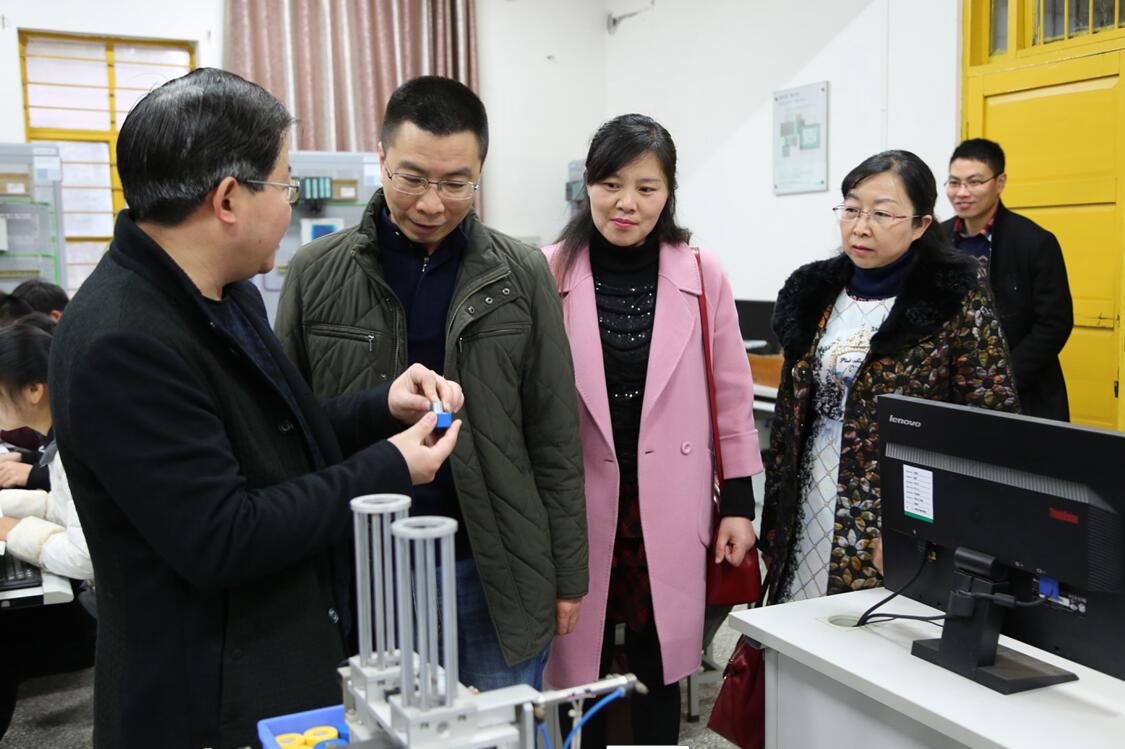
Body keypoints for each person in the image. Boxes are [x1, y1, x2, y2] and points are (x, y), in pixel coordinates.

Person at [49, 68, 463, 749]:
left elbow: (270, 437)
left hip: (276, 659)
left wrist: (380, 409)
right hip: (206, 700)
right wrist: (391, 467)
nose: (290, 206)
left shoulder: (224, 292)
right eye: (285, 185)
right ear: (228, 199)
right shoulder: (122, 340)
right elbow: (223, 535)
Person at [276, 76, 588, 692]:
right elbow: (286, 424)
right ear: (382, 158)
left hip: (494, 567)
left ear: (480, 174)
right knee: (386, 724)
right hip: (367, 564)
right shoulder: (316, 272)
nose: (431, 204)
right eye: (412, 179)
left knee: (501, 728)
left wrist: (568, 575)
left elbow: (553, 433)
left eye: (455, 184)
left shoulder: (522, 273)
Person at [542, 114, 762, 748]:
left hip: (667, 498)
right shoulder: (547, 270)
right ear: (587, 186)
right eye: (611, 184)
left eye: (646, 187)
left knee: (659, 660)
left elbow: (731, 394)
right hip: (578, 497)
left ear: (669, 193)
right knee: (575, 663)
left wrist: (739, 505)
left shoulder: (700, 272)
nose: (627, 203)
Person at [760, 150, 1019, 605]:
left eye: (881, 214)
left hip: (894, 511)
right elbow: (787, 420)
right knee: (795, 626)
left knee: (865, 628)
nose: (860, 227)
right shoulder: (813, 289)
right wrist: (773, 522)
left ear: (920, 225)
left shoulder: (953, 293)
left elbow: (989, 421)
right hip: (809, 496)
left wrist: (929, 525)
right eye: (851, 209)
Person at [0, 322, 95, 739]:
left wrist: (11, 531)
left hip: (117, 602)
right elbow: (63, 507)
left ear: (34, 389)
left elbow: (84, 555)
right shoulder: (69, 427)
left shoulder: (73, 444)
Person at [942, 138, 1072, 420]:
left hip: (1022, 390)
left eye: (974, 182)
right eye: (954, 182)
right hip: (951, 388)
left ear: (999, 182)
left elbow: (1054, 323)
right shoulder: (937, 240)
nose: (962, 192)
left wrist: (1003, 378)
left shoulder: (1034, 242)